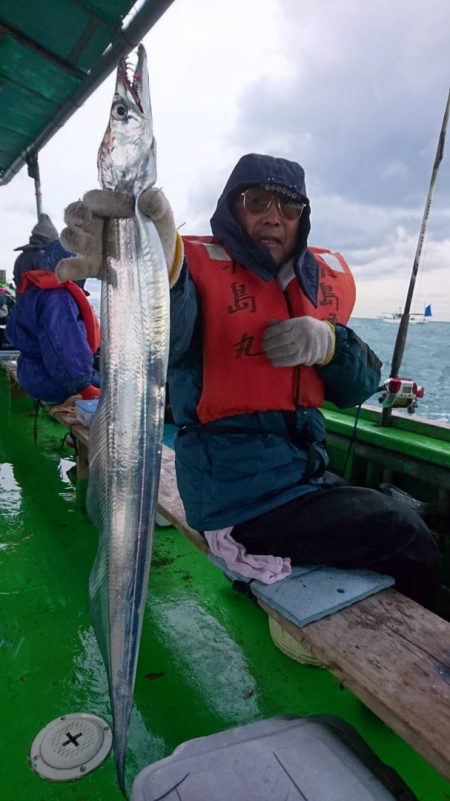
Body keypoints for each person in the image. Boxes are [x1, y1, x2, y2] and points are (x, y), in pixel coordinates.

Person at [56, 153, 441, 610]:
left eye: (290, 207)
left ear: (303, 218)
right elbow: (165, 340)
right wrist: (151, 275)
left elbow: (359, 388)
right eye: (257, 201)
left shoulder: (313, 282)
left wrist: (331, 343)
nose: (273, 217)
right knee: (403, 532)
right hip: (238, 504)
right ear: (231, 210)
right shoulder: (193, 275)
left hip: (300, 477)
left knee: (410, 511)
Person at [5, 235, 100, 405]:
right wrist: (84, 386)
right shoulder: (58, 298)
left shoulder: (34, 293)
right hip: (51, 383)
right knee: (116, 387)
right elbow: (64, 349)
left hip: (30, 373)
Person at [13, 213, 59, 288]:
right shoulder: (42, 257)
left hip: (22, 298)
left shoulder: (21, 256)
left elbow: (17, 280)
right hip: (41, 298)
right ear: (48, 238)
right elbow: (52, 281)